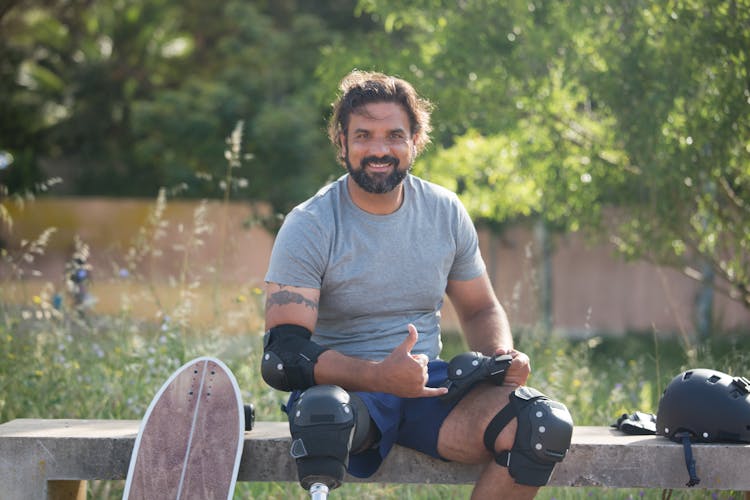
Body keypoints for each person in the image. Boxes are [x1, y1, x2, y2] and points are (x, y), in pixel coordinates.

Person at [261, 70, 572, 499]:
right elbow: (283, 356)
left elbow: (480, 308)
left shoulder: (444, 211)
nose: (379, 149)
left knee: (542, 424)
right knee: (323, 415)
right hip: (349, 395)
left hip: (428, 388)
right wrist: (379, 376)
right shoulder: (310, 224)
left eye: (394, 135)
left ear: (415, 139)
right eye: (364, 135)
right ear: (341, 141)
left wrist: (502, 359)